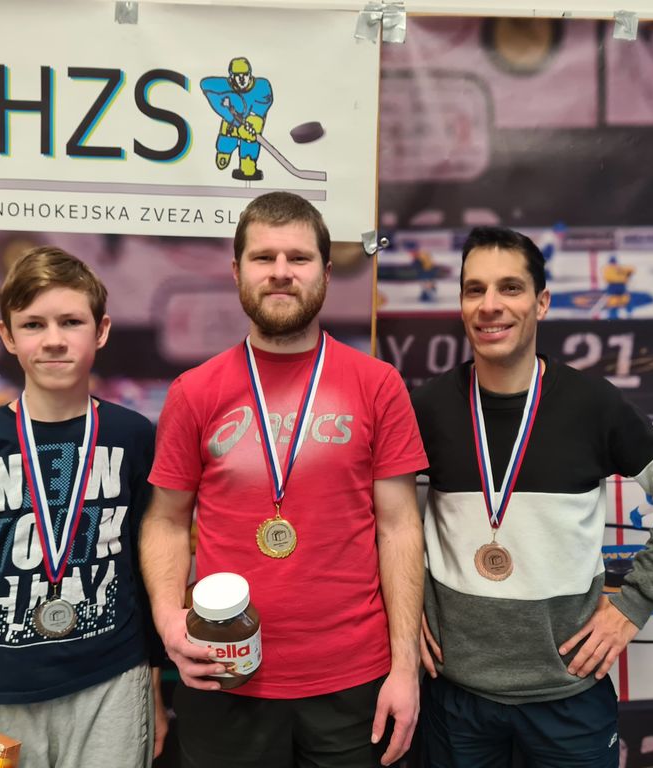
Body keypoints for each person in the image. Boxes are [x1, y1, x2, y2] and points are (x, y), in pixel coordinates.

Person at [411, 226, 653, 767]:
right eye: (474, 289)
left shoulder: (592, 404)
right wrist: (403, 614)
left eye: (510, 288)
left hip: (568, 692)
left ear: (542, 302)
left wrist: (632, 605)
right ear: (460, 304)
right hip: (454, 696)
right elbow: (385, 520)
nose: (490, 305)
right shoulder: (427, 407)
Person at [141, 191, 427, 768]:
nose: (280, 272)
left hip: (355, 681)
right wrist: (169, 619)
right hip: (225, 673)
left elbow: (399, 527)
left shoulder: (377, 384)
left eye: (298, 258)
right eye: (263, 257)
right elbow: (166, 522)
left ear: (326, 271)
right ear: (236, 271)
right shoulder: (195, 391)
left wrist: (404, 669)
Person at [0, 247, 166, 767]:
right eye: (33, 324)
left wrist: (154, 690)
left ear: (101, 330)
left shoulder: (132, 436)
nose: (53, 340)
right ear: (7, 335)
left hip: (112, 688)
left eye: (71, 321)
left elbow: (150, 572)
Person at [200, 56, 274, 180]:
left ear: (250, 74)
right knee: (227, 138)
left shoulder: (262, 86)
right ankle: (224, 153)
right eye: (237, 76)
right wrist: (232, 118)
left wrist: (252, 123)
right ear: (231, 77)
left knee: (250, 141)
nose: (242, 79)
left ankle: (247, 166)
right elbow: (205, 84)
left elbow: (261, 108)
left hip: (250, 125)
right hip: (231, 123)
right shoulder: (223, 85)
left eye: (245, 75)